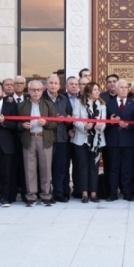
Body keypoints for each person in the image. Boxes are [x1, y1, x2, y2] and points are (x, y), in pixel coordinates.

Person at [18, 80, 58, 207]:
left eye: (38, 90)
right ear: (29, 91)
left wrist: (46, 123)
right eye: (33, 90)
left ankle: (46, 195)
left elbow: (55, 123)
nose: (36, 92)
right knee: (29, 168)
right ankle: (31, 196)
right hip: (28, 139)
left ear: (42, 91)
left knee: (45, 168)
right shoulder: (22, 105)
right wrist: (22, 125)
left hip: (44, 139)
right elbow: (16, 124)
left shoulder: (48, 104)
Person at [105, 79, 134, 201]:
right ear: (116, 89)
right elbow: (103, 121)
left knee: (127, 169)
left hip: (129, 141)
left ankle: (127, 192)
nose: (124, 89)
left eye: (126, 87)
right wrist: (110, 121)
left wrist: (128, 125)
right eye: (121, 87)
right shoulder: (109, 104)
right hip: (113, 141)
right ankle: (112, 193)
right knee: (113, 168)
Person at [72, 82, 106, 203]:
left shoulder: (102, 105)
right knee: (83, 166)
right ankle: (84, 193)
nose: (97, 92)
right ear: (88, 92)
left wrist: (98, 127)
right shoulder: (79, 103)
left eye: (98, 89)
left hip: (96, 140)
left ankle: (93, 193)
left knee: (94, 167)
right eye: (95, 90)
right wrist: (84, 126)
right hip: (82, 139)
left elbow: (104, 122)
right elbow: (75, 119)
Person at [45, 75, 74, 203]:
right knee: (46, 169)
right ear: (47, 85)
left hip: (62, 138)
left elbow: (70, 115)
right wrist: (53, 119)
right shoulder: (42, 98)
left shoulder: (63, 99)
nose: (53, 85)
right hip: (47, 138)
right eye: (51, 83)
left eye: (56, 83)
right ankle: (46, 193)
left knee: (60, 168)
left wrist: (68, 120)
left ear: (59, 86)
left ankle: (59, 192)